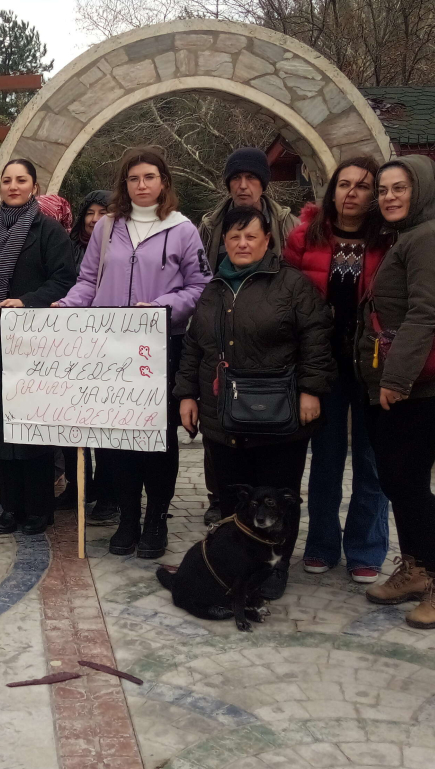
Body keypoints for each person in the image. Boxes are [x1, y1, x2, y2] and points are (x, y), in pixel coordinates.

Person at [176, 206, 335, 598]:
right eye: (235, 237)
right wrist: (186, 394)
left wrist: (311, 389)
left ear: (268, 240)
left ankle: (275, 568)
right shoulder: (213, 289)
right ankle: (238, 564)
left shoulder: (292, 285)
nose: (242, 244)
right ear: (225, 242)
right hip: (223, 417)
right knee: (235, 498)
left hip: (277, 416)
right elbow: (195, 346)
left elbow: (316, 338)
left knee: (280, 496)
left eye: (251, 236)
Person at [59, 147, 211, 558]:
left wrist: (163, 307)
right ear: (124, 184)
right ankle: (127, 517)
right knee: (116, 440)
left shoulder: (183, 229)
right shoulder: (107, 228)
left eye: (149, 177)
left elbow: (200, 287)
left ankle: (156, 519)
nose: (141, 185)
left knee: (157, 437)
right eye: (133, 178)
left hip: (159, 346)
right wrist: (67, 306)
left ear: (164, 182)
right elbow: (87, 281)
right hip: (109, 348)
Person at [359, 153, 435, 627]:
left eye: (399, 188)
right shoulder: (411, 236)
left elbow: (425, 314)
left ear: (421, 189)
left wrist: (395, 379)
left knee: (409, 485)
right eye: (383, 190)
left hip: (420, 388)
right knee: (398, 481)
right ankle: (417, 568)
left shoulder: (428, 238)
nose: (389, 197)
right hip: (405, 385)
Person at [282, 157, 393, 583]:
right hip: (323, 363)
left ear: (374, 195)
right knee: (326, 457)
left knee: (371, 458)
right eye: (344, 184)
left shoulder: (390, 240)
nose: (351, 193)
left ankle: (366, 547)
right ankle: (322, 542)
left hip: (373, 363)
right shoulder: (305, 236)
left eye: (362, 186)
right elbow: (285, 294)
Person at [0, 158, 79, 535]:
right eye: (7, 180)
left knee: (33, 427)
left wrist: (27, 301)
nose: (13, 186)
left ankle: (39, 508)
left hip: (33, 344)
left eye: (21, 180)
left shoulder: (48, 230)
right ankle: (11, 506)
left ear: (34, 187)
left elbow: (64, 279)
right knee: (1, 429)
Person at [196, 147, 300, 526]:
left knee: (266, 420)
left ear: (263, 184)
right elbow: (200, 272)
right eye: (236, 178)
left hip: (271, 328)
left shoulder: (286, 223)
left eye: (251, 178)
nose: (243, 185)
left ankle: (267, 501)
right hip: (222, 322)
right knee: (218, 421)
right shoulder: (210, 224)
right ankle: (218, 496)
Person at [67, 189, 114, 524]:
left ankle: (109, 493)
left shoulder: (121, 250)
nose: (95, 220)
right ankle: (77, 486)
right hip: (72, 346)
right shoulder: (68, 247)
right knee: (72, 422)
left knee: (107, 425)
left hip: (108, 347)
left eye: (103, 212)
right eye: (90, 212)